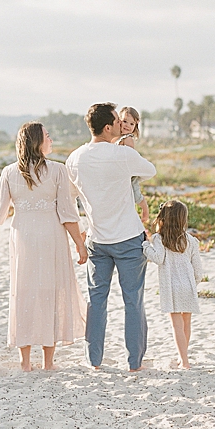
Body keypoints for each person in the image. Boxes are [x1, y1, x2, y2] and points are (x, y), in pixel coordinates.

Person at [0, 122, 87, 372]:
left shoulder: (10, 172)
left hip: (24, 238)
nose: (51, 140)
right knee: (50, 293)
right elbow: (67, 213)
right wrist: (79, 244)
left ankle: (25, 361)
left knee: (24, 293)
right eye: (47, 136)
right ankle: (48, 362)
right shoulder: (58, 171)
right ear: (36, 142)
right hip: (51, 237)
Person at [65, 102, 157, 372]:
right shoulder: (121, 155)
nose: (122, 124)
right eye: (118, 121)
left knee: (97, 300)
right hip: (129, 238)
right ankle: (134, 363)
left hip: (97, 239)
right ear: (108, 127)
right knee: (133, 301)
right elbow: (149, 170)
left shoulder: (75, 158)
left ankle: (93, 360)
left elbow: (70, 197)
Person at [142, 200, 202, 369]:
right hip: (188, 286)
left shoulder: (159, 239)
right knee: (186, 323)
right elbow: (198, 272)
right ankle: (183, 356)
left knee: (177, 326)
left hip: (171, 287)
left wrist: (146, 244)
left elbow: (158, 258)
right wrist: (192, 283)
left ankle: (184, 361)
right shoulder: (191, 240)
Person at [117, 106, 150, 227]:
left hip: (130, 172)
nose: (127, 125)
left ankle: (145, 210)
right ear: (118, 121)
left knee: (135, 192)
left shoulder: (128, 138)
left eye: (131, 124)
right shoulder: (116, 137)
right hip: (122, 172)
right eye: (125, 121)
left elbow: (131, 157)